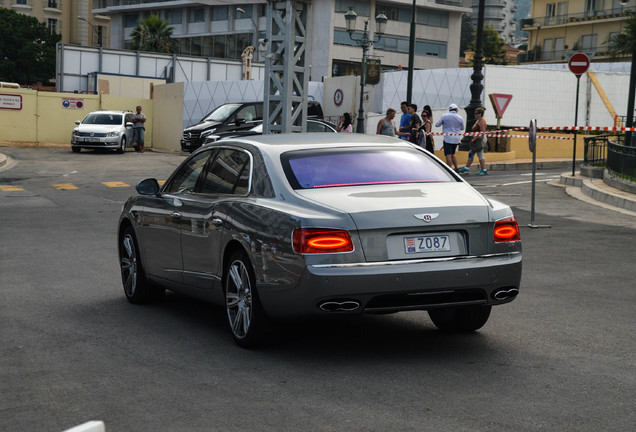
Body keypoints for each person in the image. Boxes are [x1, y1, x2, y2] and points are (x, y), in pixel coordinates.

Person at [435, 103, 465, 172]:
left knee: (448, 155)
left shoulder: (444, 116)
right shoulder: (460, 117)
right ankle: (456, 168)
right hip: (456, 139)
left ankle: (449, 170)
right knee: (453, 154)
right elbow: (462, 128)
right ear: (456, 109)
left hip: (447, 138)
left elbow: (437, 125)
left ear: (449, 109)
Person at [460, 107, 488, 175]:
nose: (475, 114)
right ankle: (466, 168)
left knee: (479, 154)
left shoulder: (482, 121)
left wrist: (474, 139)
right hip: (476, 138)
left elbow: (482, 132)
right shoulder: (478, 120)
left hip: (480, 139)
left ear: (480, 114)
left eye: (476, 113)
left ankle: (484, 169)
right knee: (471, 153)